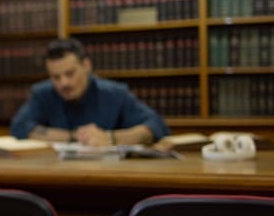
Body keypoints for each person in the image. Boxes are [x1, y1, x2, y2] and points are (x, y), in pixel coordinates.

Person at [10, 38, 169, 146]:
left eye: (70, 74)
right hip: (56, 173)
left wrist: (111, 138)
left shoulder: (115, 93)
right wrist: (73, 137)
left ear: (86, 66)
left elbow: (156, 125)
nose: (63, 83)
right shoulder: (42, 93)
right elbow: (19, 126)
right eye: (55, 77)